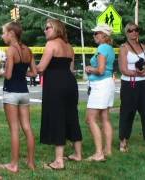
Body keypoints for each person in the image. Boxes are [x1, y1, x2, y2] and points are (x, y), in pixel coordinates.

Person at [37, 19, 82, 170]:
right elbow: (71, 68)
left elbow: (41, 67)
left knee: (57, 117)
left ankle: (58, 161)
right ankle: (77, 153)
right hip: (70, 82)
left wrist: (28, 65)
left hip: (56, 84)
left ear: (56, 29)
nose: (45, 30)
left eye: (47, 27)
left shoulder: (51, 44)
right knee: (72, 116)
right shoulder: (69, 47)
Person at [0, 21, 37, 173]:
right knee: (27, 127)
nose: (2, 36)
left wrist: (1, 70)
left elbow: (8, 75)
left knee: (14, 129)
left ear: (11, 34)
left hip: (11, 92)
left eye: (4, 32)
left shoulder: (10, 51)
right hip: (24, 93)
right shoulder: (28, 50)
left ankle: (14, 164)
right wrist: (21, 72)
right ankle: (31, 162)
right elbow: (34, 73)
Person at [118, 22, 145, 152]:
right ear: (126, 33)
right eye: (130, 30)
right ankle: (123, 141)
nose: (134, 32)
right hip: (129, 83)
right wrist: (135, 73)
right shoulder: (123, 48)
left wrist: (144, 72)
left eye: (136, 30)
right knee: (127, 112)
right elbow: (123, 69)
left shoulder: (144, 47)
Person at [85, 24, 115, 161]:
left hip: (100, 85)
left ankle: (98, 154)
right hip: (108, 83)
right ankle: (107, 150)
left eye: (96, 33)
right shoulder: (110, 48)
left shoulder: (102, 48)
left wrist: (90, 69)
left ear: (104, 35)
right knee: (105, 118)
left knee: (90, 119)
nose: (94, 35)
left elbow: (101, 70)